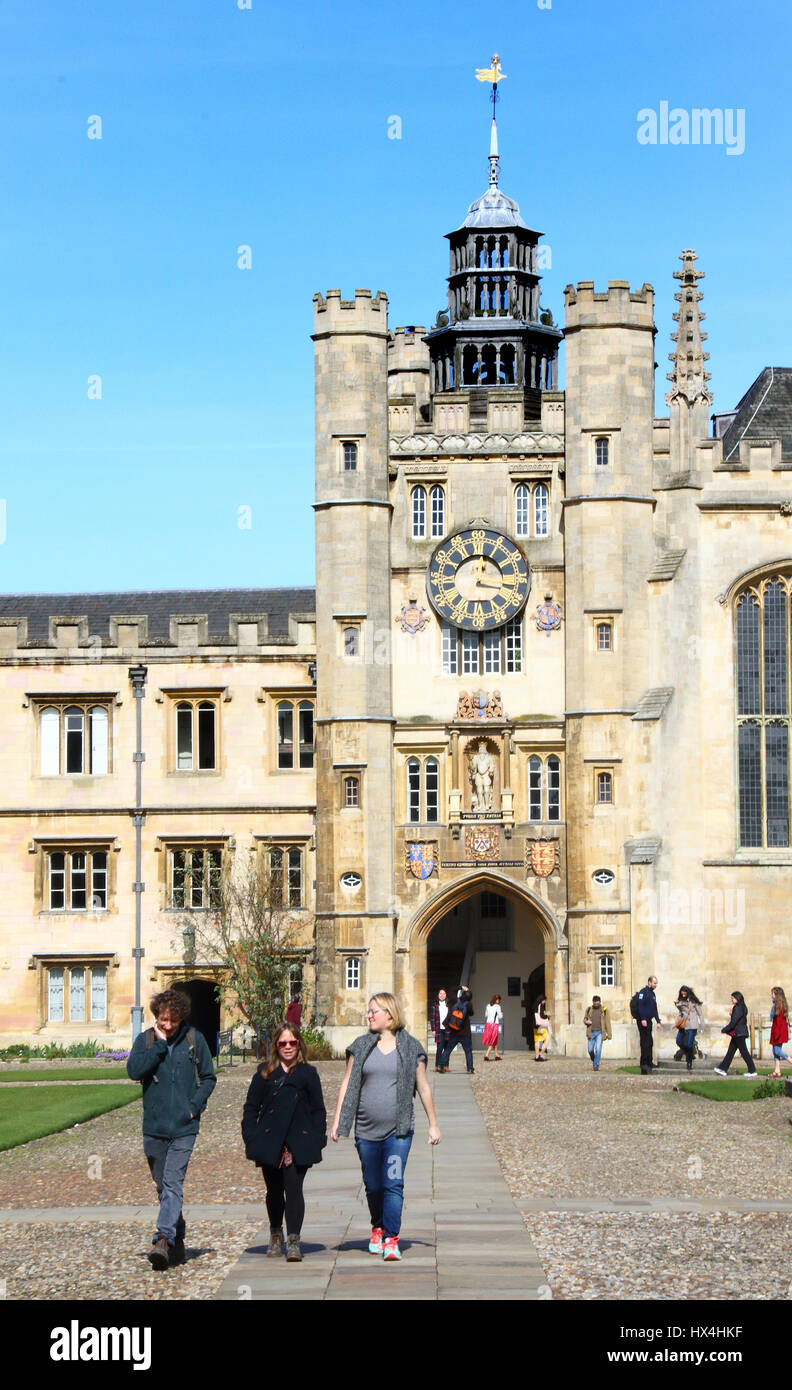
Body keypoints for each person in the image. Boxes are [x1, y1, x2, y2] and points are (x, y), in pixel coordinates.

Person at [330, 992, 441, 1261]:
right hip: (366, 1131)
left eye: (373, 1011)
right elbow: (347, 1084)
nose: (369, 1015)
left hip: (398, 1131)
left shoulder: (411, 1047)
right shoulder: (361, 1045)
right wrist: (336, 1122)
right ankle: (377, 1226)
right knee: (373, 1185)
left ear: (389, 1015)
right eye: (369, 1011)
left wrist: (433, 1125)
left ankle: (391, 1238)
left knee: (393, 1183)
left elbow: (423, 1087)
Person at [127, 988, 217, 1271]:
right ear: (157, 1017)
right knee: (162, 1187)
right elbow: (134, 1071)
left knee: (172, 1183)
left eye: (173, 1021)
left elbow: (209, 1078)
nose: (168, 1025)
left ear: (181, 1018)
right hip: (153, 1127)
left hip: (184, 1127)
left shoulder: (195, 1039)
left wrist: (194, 1107)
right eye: (164, 1020)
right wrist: (158, 1046)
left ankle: (163, 1238)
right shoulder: (147, 1040)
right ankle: (177, 1243)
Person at [241, 1022, 326, 1261]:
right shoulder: (265, 1072)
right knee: (274, 1190)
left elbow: (318, 1109)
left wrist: (318, 1137)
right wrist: (251, 1137)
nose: (288, 1047)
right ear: (276, 1046)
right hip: (271, 1141)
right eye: (283, 1043)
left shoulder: (308, 1073)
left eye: (292, 1042)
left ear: (299, 1044)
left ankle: (294, 1239)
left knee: (294, 1189)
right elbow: (251, 1108)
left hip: (299, 1140)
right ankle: (276, 1232)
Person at [713, 991, 758, 1077]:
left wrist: (725, 1029)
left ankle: (752, 1070)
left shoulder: (738, 1008)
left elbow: (734, 1022)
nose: (731, 1000)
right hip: (738, 1033)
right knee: (731, 1051)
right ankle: (723, 1069)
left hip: (739, 1033)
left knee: (744, 1052)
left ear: (737, 998)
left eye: (733, 998)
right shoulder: (742, 1007)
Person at [436, 986, 475, 1073]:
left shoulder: (454, 1000)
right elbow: (472, 1013)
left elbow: (451, 991)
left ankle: (441, 1065)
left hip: (454, 1031)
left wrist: (461, 987)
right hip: (465, 1032)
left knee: (448, 1049)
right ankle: (470, 1068)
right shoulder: (469, 1004)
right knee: (468, 1051)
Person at [634, 975, 662, 1075]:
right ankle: (644, 1064)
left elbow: (654, 1009)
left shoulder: (652, 994)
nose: (656, 985)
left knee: (649, 1042)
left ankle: (649, 1062)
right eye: (654, 983)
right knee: (644, 1042)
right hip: (643, 1021)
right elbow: (640, 1006)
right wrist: (643, 1018)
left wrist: (658, 1021)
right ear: (649, 982)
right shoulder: (643, 992)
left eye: (656, 983)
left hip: (649, 1021)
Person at [674, 986, 704, 1072]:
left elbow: (700, 1014)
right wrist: (675, 1024)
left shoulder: (693, 1001)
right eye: (682, 992)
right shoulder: (680, 1002)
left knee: (690, 1044)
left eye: (685, 992)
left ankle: (689, 1062)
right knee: (678, 1041)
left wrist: (702, 1026)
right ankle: (689, 1054)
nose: (683, 994)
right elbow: (680, 1014)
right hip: (683, 1025)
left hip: (692, 1025)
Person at [583, 994, 611, 1070]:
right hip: (591, 1032)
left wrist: (609, 1035)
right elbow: (584, 1019)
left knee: (598, 1049)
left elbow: (607, 1022)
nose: (596, 1004)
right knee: (590, 1050)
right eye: (594, 1002)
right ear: (593, 1002)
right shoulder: (589, 1009)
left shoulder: (604, 1010)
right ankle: (594, 1059)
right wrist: (586, 1022)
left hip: (600, 1032)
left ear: (600, 1002)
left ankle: (596, 1065)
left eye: (597, 1002)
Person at [769, 986, 790, 1078]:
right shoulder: (778, 1005)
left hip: (778, 1032)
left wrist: (777, 1034)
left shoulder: (778, 1006)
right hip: (778, 1031)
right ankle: (777, 1071)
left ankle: (790, 1060)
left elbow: (779, 1022)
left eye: (772, 993)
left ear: (777, 995)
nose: (771, 995)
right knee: (775, 1051)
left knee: (777, 1050)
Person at [429, 988, 448, 1072]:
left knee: (447, 1048)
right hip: (439, 1029)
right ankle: (437, 1065)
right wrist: (433, 1030)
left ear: (446, 995)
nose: (442, 995)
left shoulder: (449, 1005)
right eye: (440, 993)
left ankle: (446, 1065)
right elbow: (432, 1018)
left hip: (447, 1029)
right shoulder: (435, 1006)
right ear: (438, 995)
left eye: (444, 993)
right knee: (439, 1048)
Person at [483, 994, 503, 1062]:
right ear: (497, 1000)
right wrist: (502, 1014)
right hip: (494, 1024)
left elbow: (486, 1015)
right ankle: (486, 1055)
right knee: (493, 1040)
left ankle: (496, 1055)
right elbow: (500, 1016)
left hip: (488, 1024)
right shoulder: (497, 1006)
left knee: (495, 1040)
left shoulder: (488, 1005)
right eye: (499, 1000)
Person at [534, 995, 550, 1062]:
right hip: (541, 1026)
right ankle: (541, 1053)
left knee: (537, 1041)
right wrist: (547, 1015)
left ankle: (537, 1056)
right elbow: (542, 1015)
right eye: (544, 1000)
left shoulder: (535, 1005)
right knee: (547, 1039)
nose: (544, 1002)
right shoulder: (540, 1005)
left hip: (535, 1025)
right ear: (542, 1000)